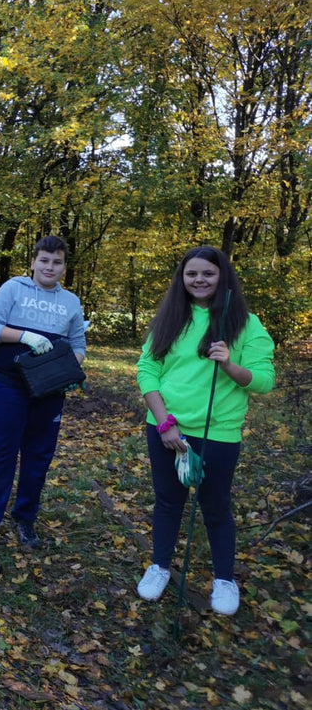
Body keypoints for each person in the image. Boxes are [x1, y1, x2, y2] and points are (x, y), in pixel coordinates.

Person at [134, 246, 274, 616]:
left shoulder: (246, 324)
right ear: (182, 278)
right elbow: (147, 370)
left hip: (219, 433)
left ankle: (224, 579)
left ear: (222, 276)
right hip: (167, 428)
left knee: (215, 506)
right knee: (168, 501)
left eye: (208, 274)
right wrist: (165, 422)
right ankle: (160, 566)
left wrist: (230, 365)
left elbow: (263, 381)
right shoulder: (169, 319)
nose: (199, 280)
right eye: (191, 273)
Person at [0, 235, 86, 552]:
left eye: (57, 262)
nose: (50, 266)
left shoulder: (71, 302)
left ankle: (25, 518)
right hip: (9, 385)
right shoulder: (13, 289)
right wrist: (25, 336)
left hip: (49, 391)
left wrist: (69, 371)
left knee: (38, 457)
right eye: (44, 260)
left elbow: (78, 345)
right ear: (33, 262)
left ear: (63, 267)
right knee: (0, 455)